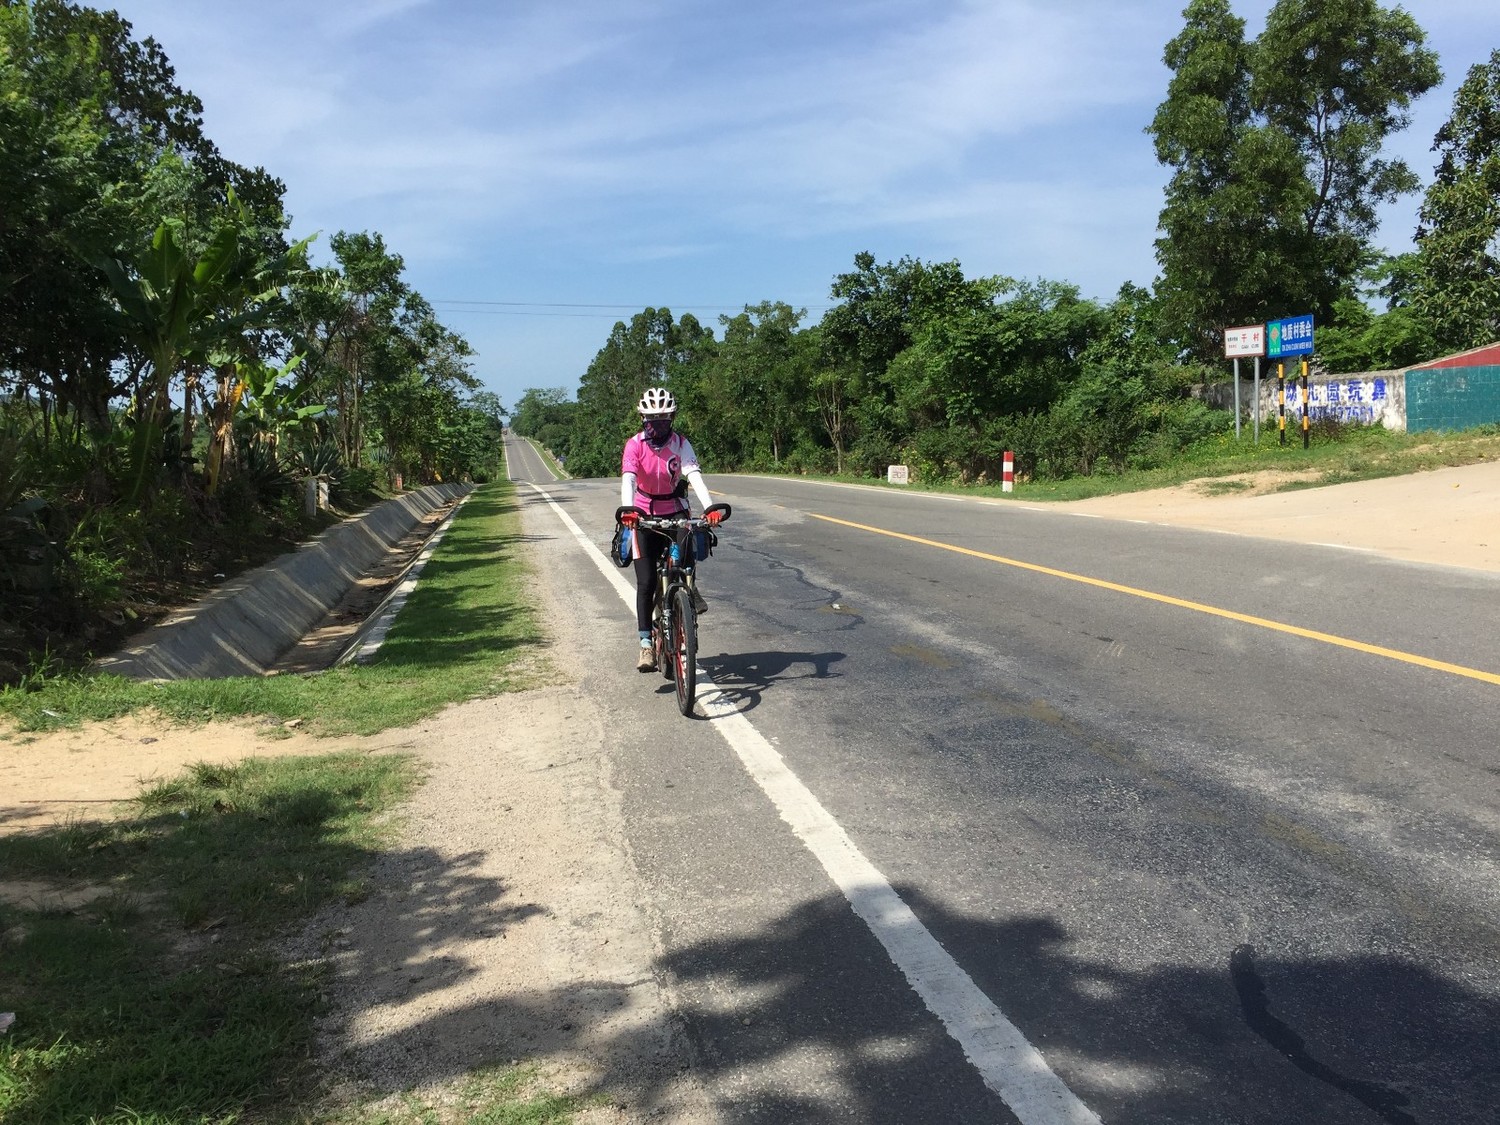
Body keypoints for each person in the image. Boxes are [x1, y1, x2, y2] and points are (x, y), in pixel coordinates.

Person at [620, 387, 721, 671]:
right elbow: (628, 478)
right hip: (642, 514)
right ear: (643, 420)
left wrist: (710, 507)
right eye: (652, 421)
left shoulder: (681, 443)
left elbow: (694, 475)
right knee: (647, 581)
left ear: (672, 420)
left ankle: (688, 590)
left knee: (688, 550)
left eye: (663, 421)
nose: (658, 427)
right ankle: (645, 645)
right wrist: (628, 511)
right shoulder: (634, 445)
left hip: (676, 509)